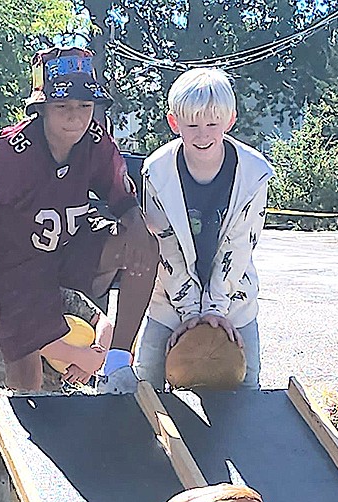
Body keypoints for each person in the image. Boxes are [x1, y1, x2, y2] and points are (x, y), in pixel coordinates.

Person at [0, 46, 157, 392]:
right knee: (27, 389)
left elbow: (122, 197)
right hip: (17, 268)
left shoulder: (97, 144)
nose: (75, 117)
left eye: (85, 106)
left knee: (143, 245)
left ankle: (117, 364)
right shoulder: (11, 152)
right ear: (40, 109)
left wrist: (139, 227)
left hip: (69, 252)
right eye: (62, 106)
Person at [137, 67, 273, 389]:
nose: (202, 135)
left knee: (247, 388)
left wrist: (215, 309)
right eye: (192, 124)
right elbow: (164, 243)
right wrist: (189, 312)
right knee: (144, 382)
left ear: (230, 121)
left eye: (212, 124)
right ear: (174, 123)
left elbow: (240, 245)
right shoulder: (156, 173)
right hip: (169, 301)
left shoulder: (254, 174)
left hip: (233, 301)